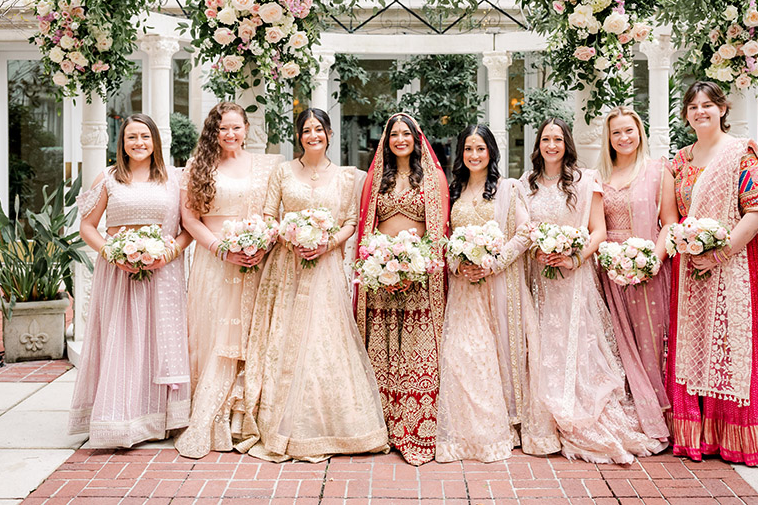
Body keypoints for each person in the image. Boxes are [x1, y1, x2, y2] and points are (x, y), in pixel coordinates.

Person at [233, 108, 389, 461]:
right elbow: (269, 215)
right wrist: (291, 238)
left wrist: (326, 243)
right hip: (287, 267)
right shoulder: (283, 172)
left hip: (326, 268)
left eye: (319, 129)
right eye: (306, 130)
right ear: (298, 136)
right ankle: (281, 422)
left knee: (324, 339)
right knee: (286, 338)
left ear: (329, 134)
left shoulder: (347, 176)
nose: (313, 135)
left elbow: (350, 221)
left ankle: (334, 426)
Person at [522, 118, 666, 463]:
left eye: (558, 139)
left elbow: (598, 231)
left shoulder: (585, 181)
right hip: (541, 279)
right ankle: (544, 418)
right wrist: (537, 250)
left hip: (576, 278)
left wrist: (574, 257)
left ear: (567, 144)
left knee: (580, 346)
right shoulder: (526, 185)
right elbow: (524, 230)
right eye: (546, 139)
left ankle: (588, 410)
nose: (552, 145)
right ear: (538, 145)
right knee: (543, 345)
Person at [666, 80, 758, 465]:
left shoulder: (740, 153)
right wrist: (687, 246)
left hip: (733, 266)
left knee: (731, 347)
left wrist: (720, 252)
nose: (700, 112)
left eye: (707, 105)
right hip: (689, 268)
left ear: (722, 109)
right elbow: (675, 215)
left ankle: (735, 436)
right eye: (693, 107)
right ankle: (696, 435)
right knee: (691, 347)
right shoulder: (680, 160)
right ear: (686, 115)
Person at [435, 125, 559, 462]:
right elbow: (445, 239)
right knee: (466, 356)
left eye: (480, 148)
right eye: (468, 149)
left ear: (491, 151)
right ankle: (474, 428)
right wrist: (458, 264)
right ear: (461, 153)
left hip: (501, 284)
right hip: (465, 291)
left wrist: (493, 263)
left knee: (504, 351)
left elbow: (525, 233)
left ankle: (511, 423)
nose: (474, 155)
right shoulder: (454, 191)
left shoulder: (508, 188)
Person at [69, 114, 191, 447]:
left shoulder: (174, 179)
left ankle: (160, 418)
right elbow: (87, 227)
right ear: (121, 143)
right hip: (118, 274)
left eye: (145, 137)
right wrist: (113, 253)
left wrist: (167, 253)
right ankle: (119, 419)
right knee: (122, 341)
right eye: (131, 137)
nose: (139, 143)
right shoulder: (108, 178)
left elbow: (187, 230)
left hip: (162, 274)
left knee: (157, 342)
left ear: (155, 142)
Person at [174, 102, 282, 459]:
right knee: (215, 333)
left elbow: (274, 212)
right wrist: (221, 249)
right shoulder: (198, 166)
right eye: (223, 129)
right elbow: (190, 219)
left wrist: (262, 244)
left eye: (236, 127)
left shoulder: (266, 165)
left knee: (250, 334)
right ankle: (213, 417)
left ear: (247, 128)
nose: (230, 134)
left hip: (253, 261)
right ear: (214, 132)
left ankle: (245, 417)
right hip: (214, 262)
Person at [354, 113, 449, 466]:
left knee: (416, 354)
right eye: (393, 134)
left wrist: (416, 265)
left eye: (406, 133)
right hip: (381, 278)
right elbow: (366, 225)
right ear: (385, 140)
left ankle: (416, 429)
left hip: (419, 278)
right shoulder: (377, 179)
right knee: (381, 352)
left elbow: (439, 229)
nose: (400, 139)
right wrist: (378, 264)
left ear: (416, 138)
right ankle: (382, 429)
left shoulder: (433, 178)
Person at [596, 107, 676, 439]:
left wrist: (650, 262)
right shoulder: (600, 176)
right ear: (608, 138)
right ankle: (629, 412)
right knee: (617, 343)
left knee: (651, 342)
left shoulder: (658, 170)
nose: (624, 137)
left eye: (629, 130)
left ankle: (661, 416)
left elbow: (669, 222)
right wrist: (611, 261)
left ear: (640, 132)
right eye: (616, 132)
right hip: (610, 272)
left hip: (649, 269)